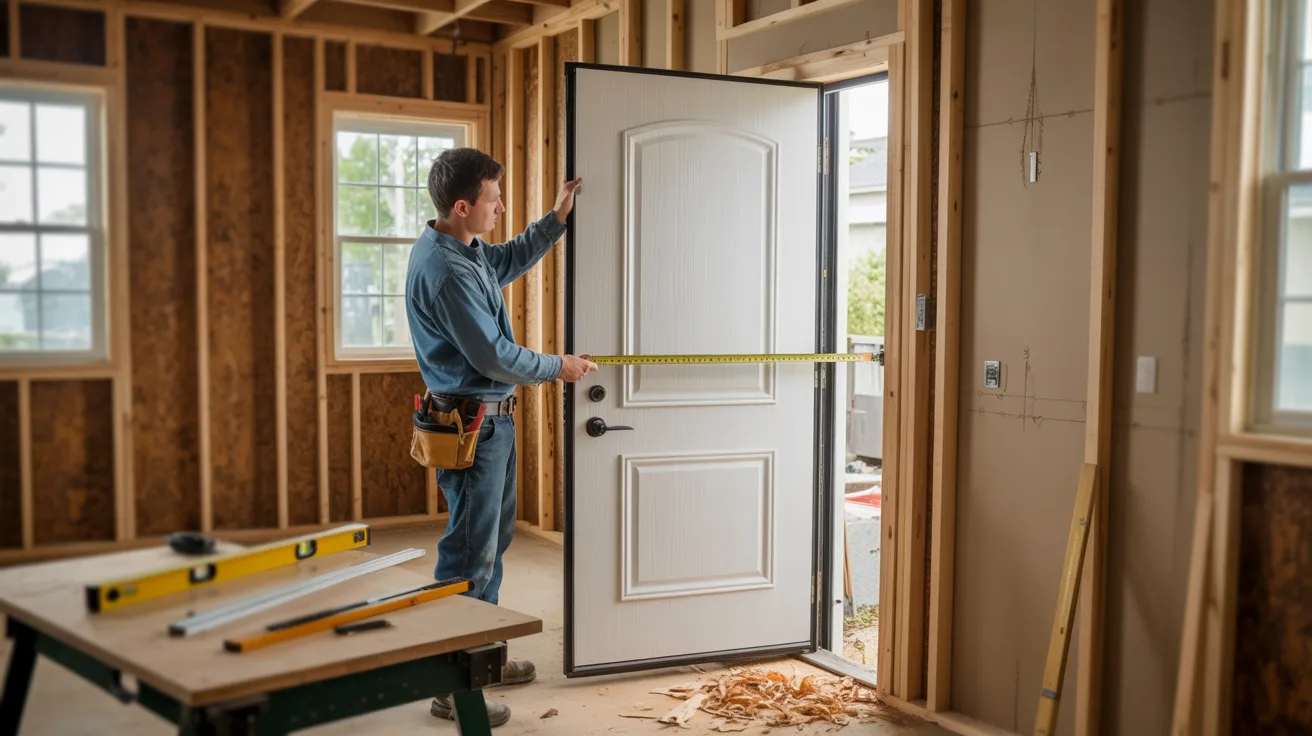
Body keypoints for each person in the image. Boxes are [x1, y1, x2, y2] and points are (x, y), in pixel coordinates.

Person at [405, 147, 597, 727]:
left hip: (489, 423)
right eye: (493, 199)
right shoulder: (443, 271)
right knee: (469, 554)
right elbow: (491, 356)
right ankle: (454, 683)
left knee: (489, 546)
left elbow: (507, 258)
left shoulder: (463, 250)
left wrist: (556, 219)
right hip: (474, 426)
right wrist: (554, 366)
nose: (500, 206)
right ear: (462, 206)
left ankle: (479, 658)